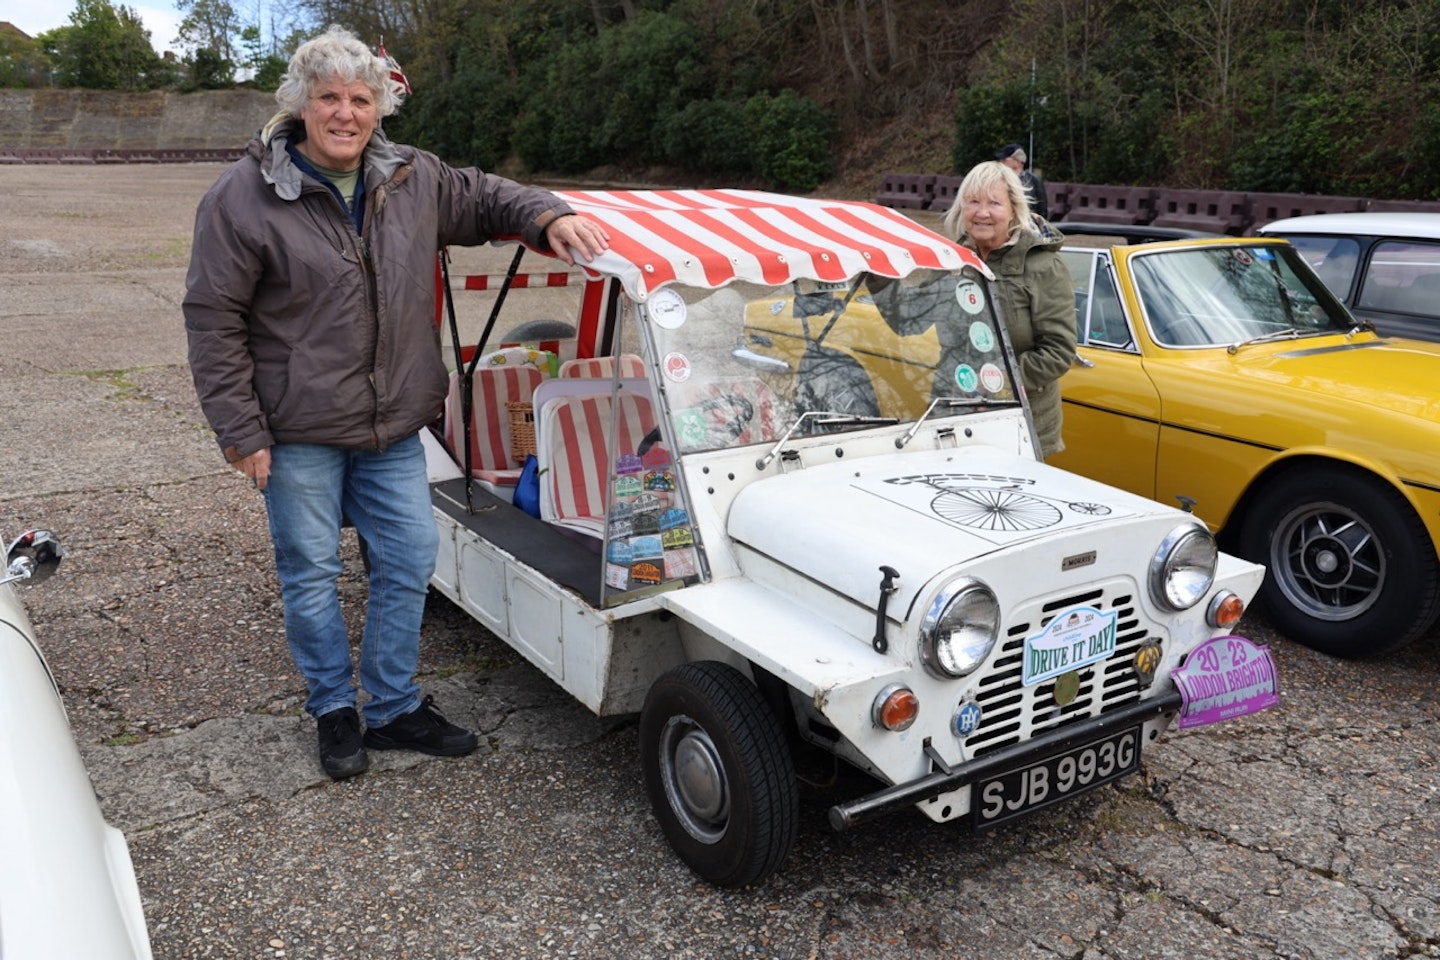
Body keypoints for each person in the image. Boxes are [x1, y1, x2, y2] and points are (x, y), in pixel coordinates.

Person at [183, 25, 610, 780]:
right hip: (299, 430)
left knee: (410, 558)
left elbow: (487, 194)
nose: (345, 114)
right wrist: (239, 430)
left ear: (380, 106)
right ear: (300, 105)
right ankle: (332, 710)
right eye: (328, 99)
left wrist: (546, 214)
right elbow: (213, 319)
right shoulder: (242, 198)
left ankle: (390, 705)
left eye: (359, 99)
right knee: (310, 572)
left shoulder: (414, 178)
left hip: (393, 427)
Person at [942, 161, 1075, 458]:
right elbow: (911, 324)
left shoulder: (1043, 266)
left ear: (1014, 209)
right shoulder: (953, 261)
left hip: (1023, 426)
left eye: (994, 203)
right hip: (959, 419)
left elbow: (1059, 352)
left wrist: (996, 381)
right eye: (973, 201)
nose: (982, 212)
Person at [995, 143, 1049, 222]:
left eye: (1004, 159)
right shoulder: (997, 178)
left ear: (1017, 161)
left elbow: (1042, 210)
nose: (1000, 162)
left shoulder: (1034, 180)